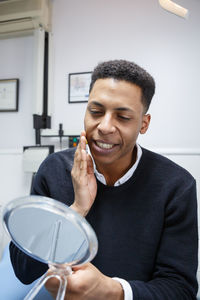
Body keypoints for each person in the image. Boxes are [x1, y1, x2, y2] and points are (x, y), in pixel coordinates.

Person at [10, 60, 198, 300]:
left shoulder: (176, 186)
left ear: (144, 123)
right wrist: (76, 210)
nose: (105, 126)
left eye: (122, 117)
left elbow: (180, 290)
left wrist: (111, 291)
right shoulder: (54, 170)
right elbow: (23, 269)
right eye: (96, 112)